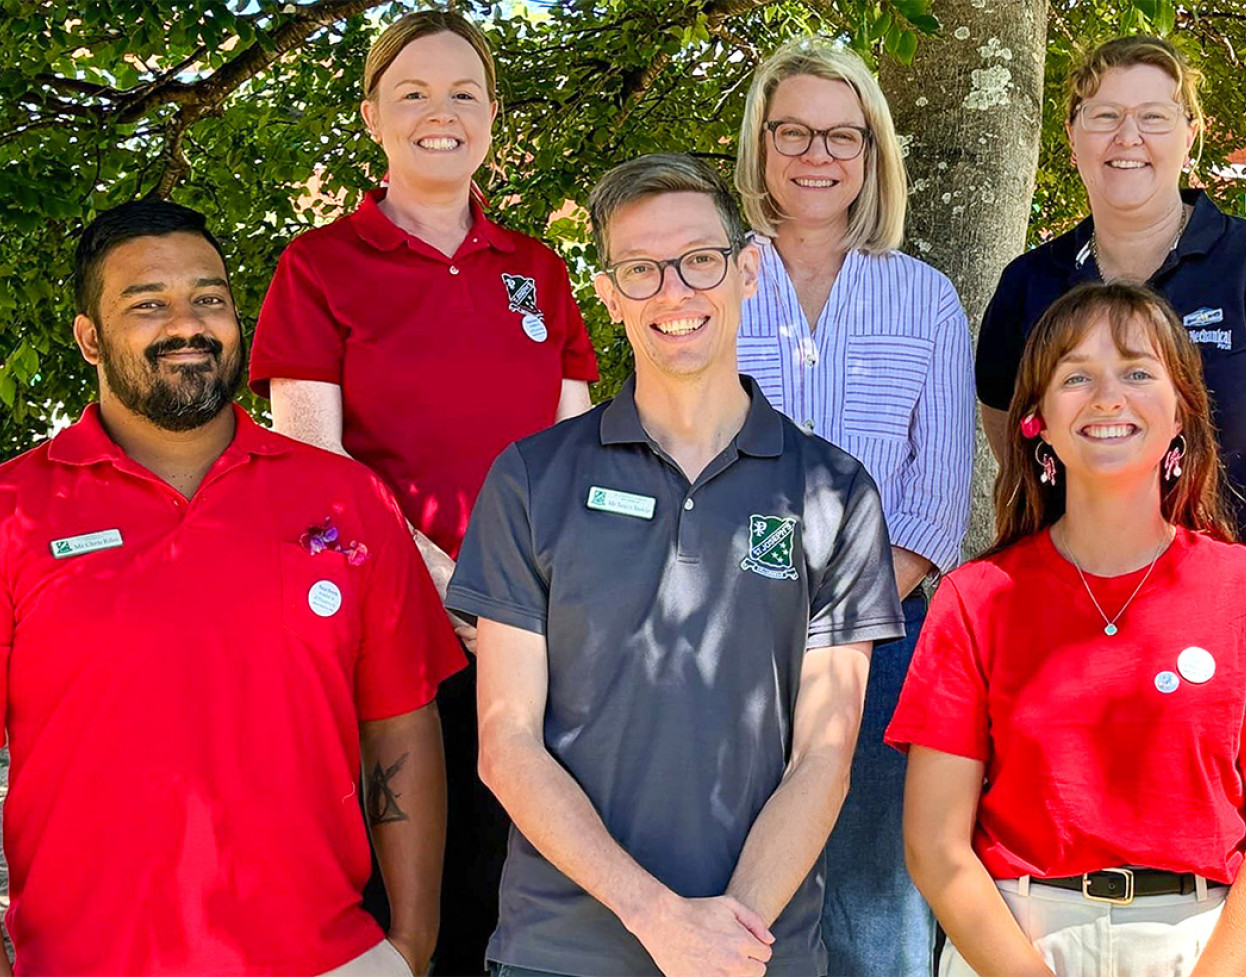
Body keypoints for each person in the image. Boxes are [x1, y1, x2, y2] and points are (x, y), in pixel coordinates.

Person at [446, 153, 904, 977]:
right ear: (610, 293)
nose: (674, 291)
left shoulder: (834, 491)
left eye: (699, 260)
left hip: (759, 952)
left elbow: (824, 755)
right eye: (641, 269)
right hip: (562, 953)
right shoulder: (531, 478)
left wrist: (725, 939)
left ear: (747, 269)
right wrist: (658, 918)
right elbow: (505, 741)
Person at [0, 200, 463, 975]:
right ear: (89, 337)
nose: (188, 323)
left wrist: (412, 945)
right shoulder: (14, 510)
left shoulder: (346, 498)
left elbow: (401, 726)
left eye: (208, 298)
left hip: (328, 959)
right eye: (148, 303)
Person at [247, 11, 599, 971]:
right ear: (371, 115)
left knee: (520, 902)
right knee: (399, 908)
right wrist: (459, 582)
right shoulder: (318, 267)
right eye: (412, 92)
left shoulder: (538, 270)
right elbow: (314, 468)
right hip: (389, 640)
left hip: (534, 642)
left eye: (463, 93)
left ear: (491, 116)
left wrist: (534, 598)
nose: (439, 113)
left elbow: (577, 458)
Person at [888, 281, 1246, 977]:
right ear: (1036, 421)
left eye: (1138, 372)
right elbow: (933, 842)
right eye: (1077, 376)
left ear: (1181, 415)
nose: (1108, 396)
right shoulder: (975, 600)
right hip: (1015, 945)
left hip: (1203, 946)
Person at [733, 37, 974, 975]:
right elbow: (682, 458)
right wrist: (769, 591)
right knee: (745, 894)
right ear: (761, 148)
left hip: (887, 635)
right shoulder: (714, 282)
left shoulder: (924, 298)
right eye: (792, 131)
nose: (817, 155)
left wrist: (844, 613)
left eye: (842, 136)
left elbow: (934, 495)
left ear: (872, 154)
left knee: (878, 903)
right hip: (727, 633)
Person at [975, 35, 1246, 568]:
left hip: (1234, 598)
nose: (1127, 136)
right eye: (1105, 115)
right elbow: (1016, 437)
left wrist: (1232, 563)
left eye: (1153, 117)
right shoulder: (1028, 283)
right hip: (1072, 594)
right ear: (1071, 135)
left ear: (1190, 135)